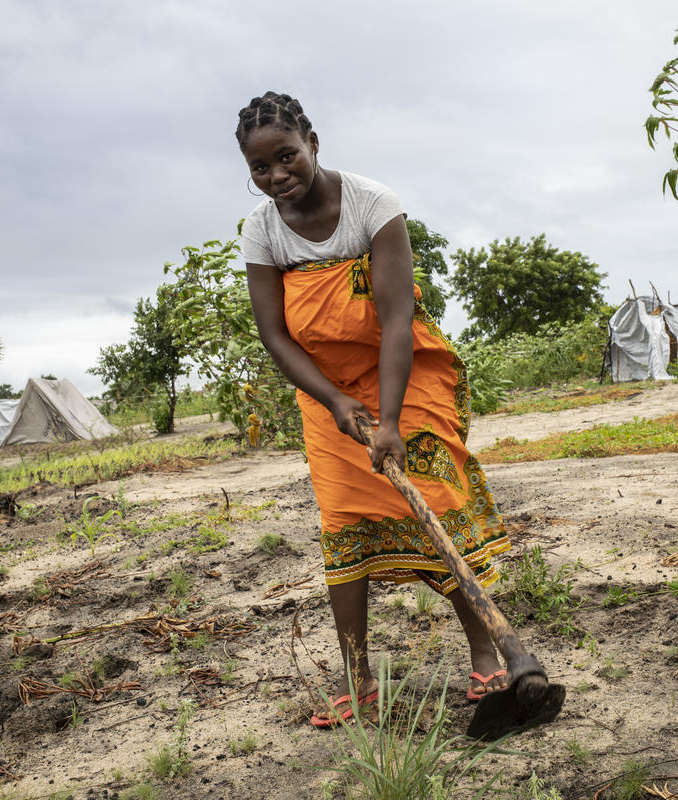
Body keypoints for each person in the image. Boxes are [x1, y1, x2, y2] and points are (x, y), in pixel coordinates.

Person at [235, 91, 512, 728]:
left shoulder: (373, 204)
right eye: (260, 168)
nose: (277, 176)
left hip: (401, 375)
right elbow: (276, 335)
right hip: (324, 390)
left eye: (287, 156)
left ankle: (485, 652)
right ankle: (357, 677)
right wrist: (335, 402)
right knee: (343, 521)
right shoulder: (261, 229)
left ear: (312, 142)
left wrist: (387, 422)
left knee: (438, 499)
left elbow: (394, 319)